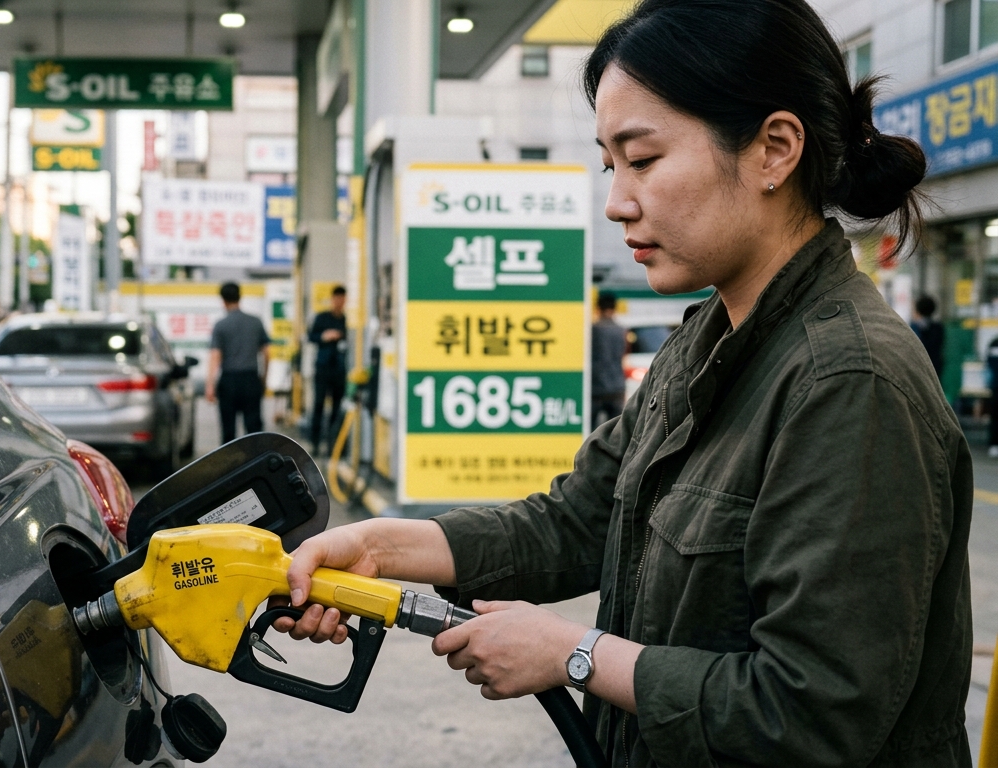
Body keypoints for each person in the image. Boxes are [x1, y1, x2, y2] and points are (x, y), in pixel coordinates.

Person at [273, 0, 973, 765]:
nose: (617, 202)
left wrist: (576, 655)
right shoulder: (706, 342)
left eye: (643, 159)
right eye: (612, 165)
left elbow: (815, 711)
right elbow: (575, 522)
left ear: (774, 149)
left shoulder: (850, 382)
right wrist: (375, 546)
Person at [207, 282, 270, 444]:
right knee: (254, 430)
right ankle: (257, 464)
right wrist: (263, 378)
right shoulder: (256, 322)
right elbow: (267, 353)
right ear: (240, 297)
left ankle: (230, 467)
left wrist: (210, 386)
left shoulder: (221, 325)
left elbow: (215, 356)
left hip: (229, 381)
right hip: (250, 379)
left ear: (223, 300)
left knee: (228, 431)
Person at [307, 285, 349, 456]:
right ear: (332, 299)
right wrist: (325, 336)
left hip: (340, 369)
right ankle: (315, 444)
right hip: (323, 368)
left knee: (337, 408)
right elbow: (311, 337)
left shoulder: (347, 320)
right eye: (337, 298)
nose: (339, 302)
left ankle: (334, 446)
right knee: (318, 405)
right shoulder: (322, 317)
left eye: (342, 299)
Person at [590, 291, 627, 428]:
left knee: (593, 431)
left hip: (596, 388)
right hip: (617, 387)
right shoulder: (621, 330)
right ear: (615, 308)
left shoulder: (593, 330)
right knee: (617, 432)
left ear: (598, 308)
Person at [911, 294, 945, 380]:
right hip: (935, 368)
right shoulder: (938, 328)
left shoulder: (913, 328)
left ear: (918, 310)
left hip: (917, 368)